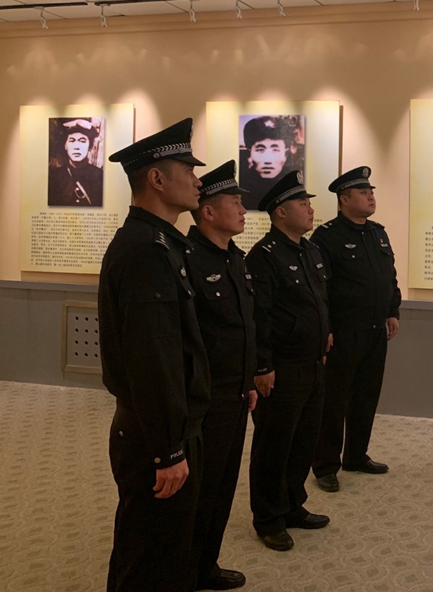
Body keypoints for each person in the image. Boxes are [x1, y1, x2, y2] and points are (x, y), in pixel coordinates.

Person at [98, 118, 209, 592]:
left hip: (163, 427)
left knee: (164, 548)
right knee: (149, 557)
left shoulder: (160, 243)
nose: (198, 180)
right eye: (188, 170)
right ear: (157, 179)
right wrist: (168, 449)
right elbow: (152, 360)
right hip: (152, 435)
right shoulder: (146, 251)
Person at [246, 170, 332, 551]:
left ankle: (293, 504)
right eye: (302, 203)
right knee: (274, 445)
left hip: (313, 364)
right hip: (281, 369)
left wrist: (326, 331)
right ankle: (268, 518)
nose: (310, 209)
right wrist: (262, 366)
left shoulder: (310, 251)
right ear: (280, 212)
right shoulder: (264, 257)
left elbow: (320, 301)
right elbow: (259, 317)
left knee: (303, 441)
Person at [186, 161, 257, 591]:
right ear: (209, 212)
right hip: (205, 399)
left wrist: (248, 380)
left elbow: (243, 327)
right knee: (200, 490)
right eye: (235, 203)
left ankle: (205, 565)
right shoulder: (188, 259)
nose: (243, 210)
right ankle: (186, 569)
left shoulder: (235, 259)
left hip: (235, 394)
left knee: (222, 486)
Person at [310, 166, 401, 493]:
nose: (370, 196)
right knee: (334, 401)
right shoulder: (327, 237)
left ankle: (356, 455)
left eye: (371, 191)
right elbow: (321, 288)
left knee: (366, 396)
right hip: (344, 333)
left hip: (376, 331)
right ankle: (325, 465)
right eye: (363, 192)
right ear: (344, 199)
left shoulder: (378, 233)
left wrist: (393, 311)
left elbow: (389, 277)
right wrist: (327, 329)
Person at [240, 116, 300, 209]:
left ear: (286, 154)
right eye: (260, 150)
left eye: (275, 150)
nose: (268, 160)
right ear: (249, 154)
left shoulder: (294, 186)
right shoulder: (242, 186)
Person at [48, 118, 104, 207]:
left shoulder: (100, 175)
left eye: (82, 141)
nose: (77, 147)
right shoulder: (54, 177)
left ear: (90, 146)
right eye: (72, 141)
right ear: (65, 146)